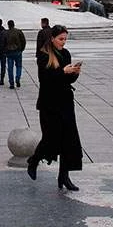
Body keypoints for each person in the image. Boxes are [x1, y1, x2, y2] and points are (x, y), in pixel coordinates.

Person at [26, 24, 82, 191]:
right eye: (60, 39)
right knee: (50, 138)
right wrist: (62, 72)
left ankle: (64, 177)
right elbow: (45, 79)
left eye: (65, 39)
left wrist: (74, 73)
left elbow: (67, 81)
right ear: (52, 38)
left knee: (68, 140)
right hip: (49, 103)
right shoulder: (44, 56)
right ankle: (34, 160)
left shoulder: (65, 54)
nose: (63, 42)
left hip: (65, 101)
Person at [5, 19, 26, 89]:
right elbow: (23, 41)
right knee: (19, 66)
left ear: (8, 25)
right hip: (18, 52)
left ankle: (11, 83)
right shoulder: (19, 32)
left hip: (9, 52)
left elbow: (4, 43)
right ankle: (17, 78)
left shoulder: (6, 33)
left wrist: (5, 51)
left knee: (10, 68)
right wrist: (21, 49)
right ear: (14, 24)